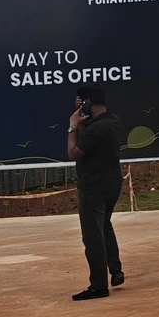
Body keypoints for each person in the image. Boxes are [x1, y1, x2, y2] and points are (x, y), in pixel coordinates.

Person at [66, 85, 125, 300]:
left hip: (93, 188)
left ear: (89, 102)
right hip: (111, 184)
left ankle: (98, 285)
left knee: (92, 237)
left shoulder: (96, 129)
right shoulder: (112, 121)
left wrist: (72, 127)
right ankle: (115, 269)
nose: (77, 105)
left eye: (80, 101)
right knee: (104, 226)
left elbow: (74, 152)